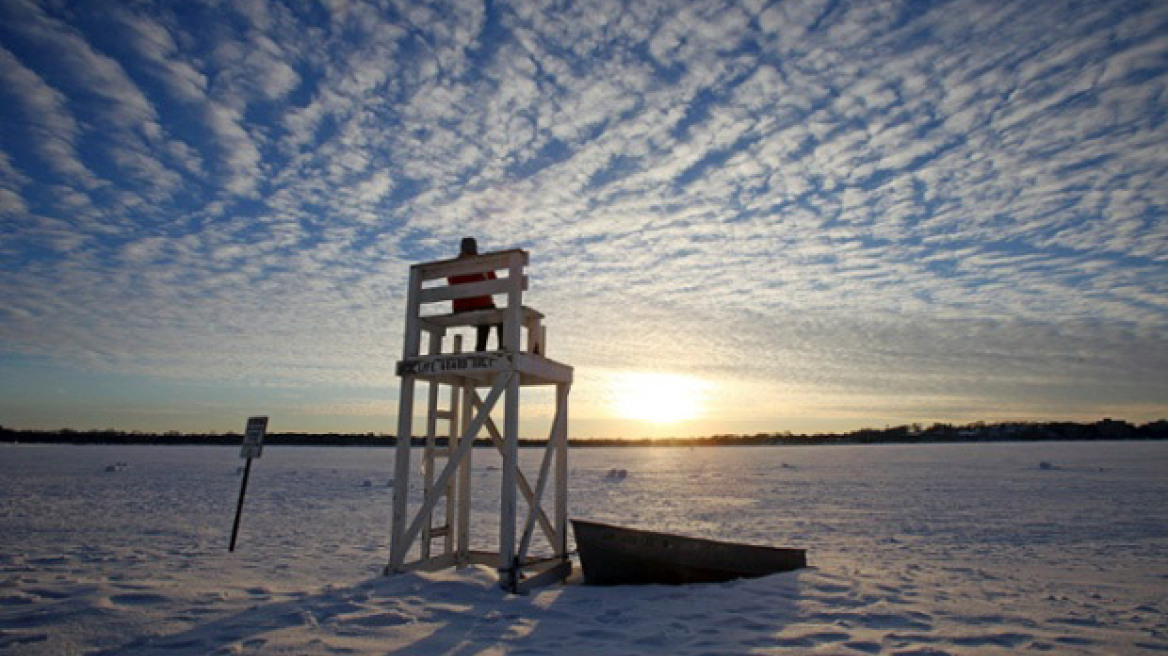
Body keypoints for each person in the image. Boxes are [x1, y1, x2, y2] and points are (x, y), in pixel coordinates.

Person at [448, 237, 503, 351]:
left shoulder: (452, 266)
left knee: (486, 313)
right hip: (481, 307)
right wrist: (489, 264)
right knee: (500, 316)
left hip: (460, 308)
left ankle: (480, 348)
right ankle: (500, 348)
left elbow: (451, 283)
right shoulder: (481, 264)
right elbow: (494, 284)